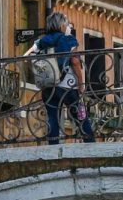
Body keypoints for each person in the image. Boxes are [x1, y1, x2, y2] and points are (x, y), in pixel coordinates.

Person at [27, 11, 95, 144]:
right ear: (61, 25)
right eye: (66, 23)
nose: (68, 25)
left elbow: (28, 56)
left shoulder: (42, 41)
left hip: (48, 85)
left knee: (53, 118)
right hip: (67, 86)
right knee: (80, 116)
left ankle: (53, 146)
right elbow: (75, 62)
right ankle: (90, 143)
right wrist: (81, 84)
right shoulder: (68, 39)